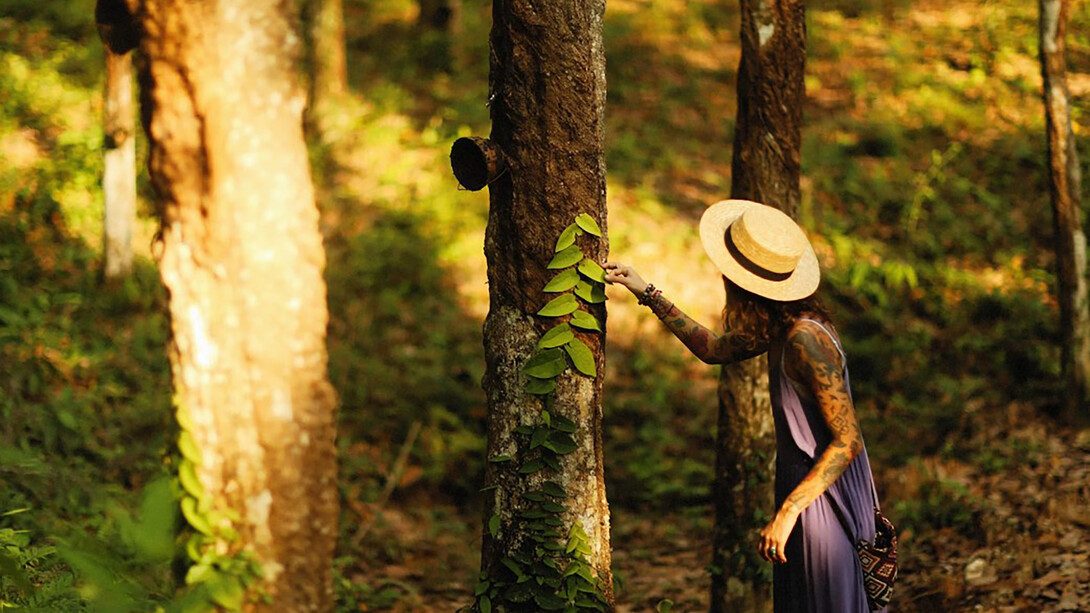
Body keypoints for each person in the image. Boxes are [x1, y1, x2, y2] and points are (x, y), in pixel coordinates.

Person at [603, 200, 883, 613]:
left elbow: (848, 441)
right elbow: (714, 349)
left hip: (822, 495)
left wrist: (788, 512)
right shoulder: (780, 326)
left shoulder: (805, 339)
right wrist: (646, 291)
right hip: (804, 490)